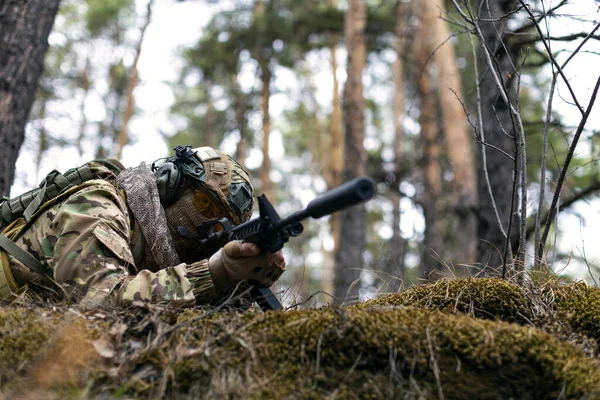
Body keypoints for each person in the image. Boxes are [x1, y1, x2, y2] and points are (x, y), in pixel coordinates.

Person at [0, 145, 286, 309]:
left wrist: (239, 284)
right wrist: (214, 272)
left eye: (223, 226)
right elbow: (100, 303)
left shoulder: (160, 255)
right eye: (205, 206)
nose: (209, 227)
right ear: (170, 183)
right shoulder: (100, 204)